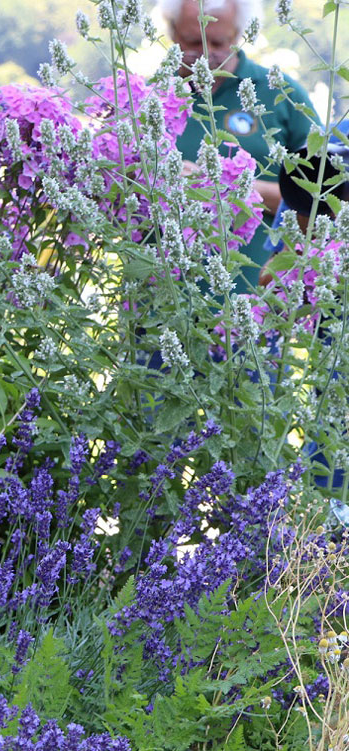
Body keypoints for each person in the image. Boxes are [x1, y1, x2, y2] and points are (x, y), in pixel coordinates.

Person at [160, 0, 317, 288]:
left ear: (238, 35)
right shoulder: (147, 99)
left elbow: (323, 200)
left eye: (217, 42)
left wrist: (215, 184)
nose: (205, 55)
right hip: (159, 301)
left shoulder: (280, 94)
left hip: (253, 299)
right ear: (171, 34)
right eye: (193, 41)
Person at [259, 128, 349, 488]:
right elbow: (269, 277)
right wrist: (316, 251)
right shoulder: (323, 149)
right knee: (329, 474)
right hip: (333, 377)